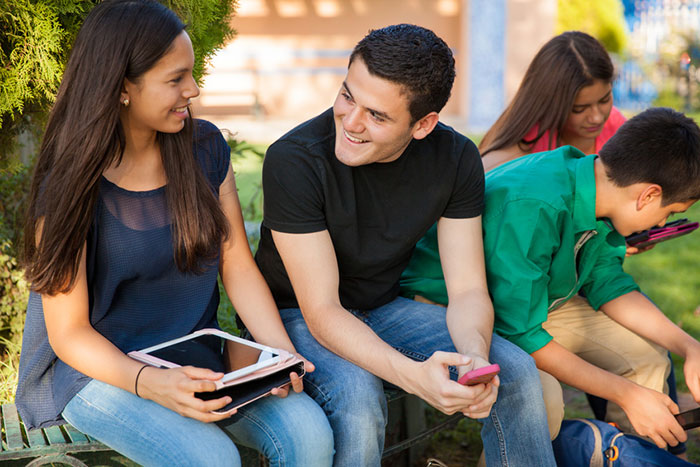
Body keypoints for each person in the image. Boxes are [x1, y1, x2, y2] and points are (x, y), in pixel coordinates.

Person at [15, 1, 333, 465]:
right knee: (212, 459)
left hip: (192, 355)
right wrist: (151, 383)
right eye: (176, 78)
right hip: (97, 372)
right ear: (123, 88)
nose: (194, 89)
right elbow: (70, 333)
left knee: (309, 432)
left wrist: (279, 356)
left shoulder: (203, 149)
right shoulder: (70, 185)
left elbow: (237, 267)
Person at [254, 24, 556, 466]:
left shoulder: (455, 159)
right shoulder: (295, 159)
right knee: (358, 398)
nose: (351, 122)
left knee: (513, 371)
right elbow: (322, 311)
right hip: (296, 315)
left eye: (377, 115)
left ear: (424, 124)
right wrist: (417, 378)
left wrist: (473, 359)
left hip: (382, 306)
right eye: (347, 95)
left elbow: (469, 289)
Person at [403, 107, 700, 449]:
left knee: (645, 358)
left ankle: (635, 456)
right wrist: (626, 395)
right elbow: (522, 333)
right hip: (449, 309)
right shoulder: (537, 203)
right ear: (648, 195)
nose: (663, 225)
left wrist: (689, 347)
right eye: (670, 213)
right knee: (543, 400)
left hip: (529, 302)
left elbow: (608, 284)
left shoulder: (598, 190)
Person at [479, 31, 625, 173]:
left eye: (604, 100)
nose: (596, 117)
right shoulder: (524, 147)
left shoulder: (616, 126)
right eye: (579, 109)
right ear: (550, 102)